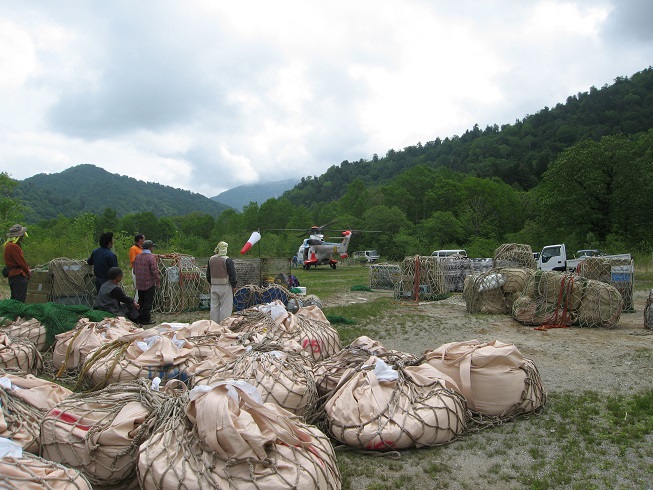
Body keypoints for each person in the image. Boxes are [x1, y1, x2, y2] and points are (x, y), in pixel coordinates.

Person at [206, 241, 237, 323]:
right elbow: (232, 274)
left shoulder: (211, 259)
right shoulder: (227, 260)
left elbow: (208, 274)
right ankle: (224, 325)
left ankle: (213, 325)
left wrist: (211, 283)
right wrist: (234, 286)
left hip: (214, 286)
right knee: (225, 307)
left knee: (214, 307)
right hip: (225, 286)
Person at [133, 240, 159, 325]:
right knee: (148, 302)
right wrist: (158, 280)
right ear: (150, 247)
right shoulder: (151, 257)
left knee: (141, 301)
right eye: (152, 247)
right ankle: (146, 319)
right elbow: (154, 271)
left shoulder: (137, 257)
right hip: (149, 283)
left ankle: (139, 318)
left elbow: (134, 271)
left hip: (139, 283)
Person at [3, 224, 31, 302]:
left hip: (13, 274)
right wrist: (28, 271)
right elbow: (21, 262)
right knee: (19, 299)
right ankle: (17, 313)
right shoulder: (13, 246)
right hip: (17, 275)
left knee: (15, 298)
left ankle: (14, 313)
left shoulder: (8, 245)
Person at [129, 233, 145, 301]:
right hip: (137, 270)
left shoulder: (142, 249)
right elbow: (133, 260)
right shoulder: (133, 248)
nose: (145, 240)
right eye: (143, 239)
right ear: (140, 240)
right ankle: (136, 303)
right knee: (138, 288)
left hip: (143, 271)